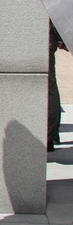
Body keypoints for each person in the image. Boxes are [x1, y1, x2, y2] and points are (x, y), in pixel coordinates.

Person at [48, 21, 66, 152]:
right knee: (50, 87)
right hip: (46, 40)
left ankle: (50, 135)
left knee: (49, 89)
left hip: (42, 40)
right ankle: (51, 135)